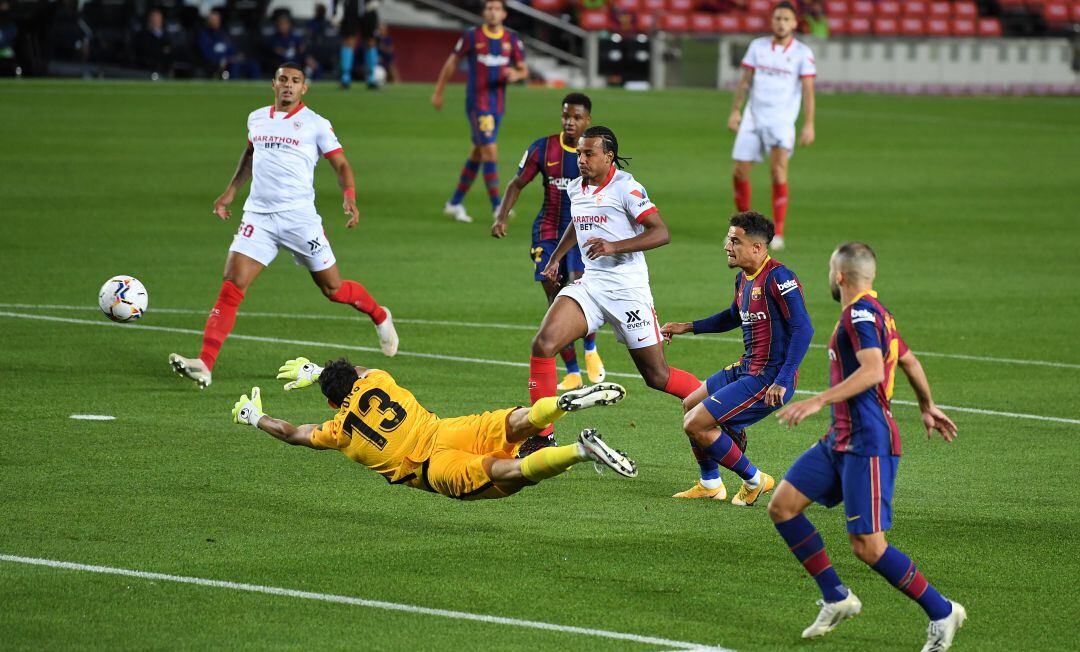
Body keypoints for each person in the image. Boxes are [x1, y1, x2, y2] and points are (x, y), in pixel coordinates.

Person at [770, 242, 966, 650]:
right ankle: (836, 597)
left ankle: (942, 611)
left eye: (829, 269)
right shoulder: (880, 314)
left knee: (869, 547)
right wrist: (927, 405)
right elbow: (907, 361)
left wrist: (818, 399)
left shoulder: (859, 314)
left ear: (839, 276)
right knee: (783, 506)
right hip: (839, 441)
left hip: (868, 444)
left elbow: (875, 369)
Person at [169, 62, 398, 389]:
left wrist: (349, 197)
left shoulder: (315, 124)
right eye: (283, 79)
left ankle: (379, 315)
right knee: (232, 285)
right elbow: (250, 154)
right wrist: (230, 192)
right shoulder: (257, 118)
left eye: (295, 81)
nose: (288, 85)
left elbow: (342, 164)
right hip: (258, 217)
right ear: (273, 84)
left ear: (304, 88)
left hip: (300, 219)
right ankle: (205, 363)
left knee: (332, 289)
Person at [522, 125, 702, 456]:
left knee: (657, 376)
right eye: (579, 154)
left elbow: (661, 233)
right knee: (544, 343)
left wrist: (613, 246)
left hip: (628, 290)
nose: (581, 160)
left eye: (589, 154)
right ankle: (542, 435)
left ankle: (714, 404)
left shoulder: (627, 188)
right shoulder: (576, 188)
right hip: (591, 285)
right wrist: (556, 258)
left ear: (608, 156)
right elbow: (578, 223)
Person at [230, 357, 636, 499]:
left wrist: (255, 416)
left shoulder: (338, 430)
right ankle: (561, 404)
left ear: (333, 403)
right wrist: (318, 371)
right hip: (445, 430)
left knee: (504, 473)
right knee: (513, 424)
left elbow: (292, 432)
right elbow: (354, 372)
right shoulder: (377, 379)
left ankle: (581, 452)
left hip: (427, 466)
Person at [661, 211, 812, 504]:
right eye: (728, 239)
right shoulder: (743, 278)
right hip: (746, 368)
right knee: (689, 403)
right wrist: (689, 327)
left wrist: (781, 380)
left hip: (768, 378)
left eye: (735, 241)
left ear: (757, 247)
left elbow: (803, 328)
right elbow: (733, 316)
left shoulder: (779, 278)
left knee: (695, 424)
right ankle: (711, 483)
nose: (727, 247)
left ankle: (755, 480)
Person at [493, 93, 605, 392]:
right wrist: (501, 216)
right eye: (566, 115)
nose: (570, 121)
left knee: (581, 290)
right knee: (555, 295)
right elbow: (517, 183)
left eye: (577, 117)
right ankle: (571, 371)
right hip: (546, 230)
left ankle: (591, 349)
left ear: (587, 120)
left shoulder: (597, 154)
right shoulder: (543, 149)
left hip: (582, 232)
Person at [728, 0, 816, 250]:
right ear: (772, 21)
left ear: (795, 23)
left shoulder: (802, 53)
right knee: (739, 172)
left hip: (781, 121)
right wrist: (735, 110)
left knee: (778, 172)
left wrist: (809, 124)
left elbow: (809, 91)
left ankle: (778, 231)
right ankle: (743, 229)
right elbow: (744, 81)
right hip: (753, 118)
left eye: (786, 19)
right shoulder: (758, 47)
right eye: (778, 18)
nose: (781, 23)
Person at [431, 0, 527, 224]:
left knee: (478, 152)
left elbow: (523, 69)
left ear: (503, 14)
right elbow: (451, 62)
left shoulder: (511, 39)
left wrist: (516, 75)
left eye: (497, 9)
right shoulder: (472, 37)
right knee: (490, 152)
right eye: (489, 8)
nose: (493, 13)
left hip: (498, 106)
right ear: (484, 13)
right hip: (478, 104)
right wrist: (438, 92)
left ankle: (454, 203)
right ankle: (498, 207)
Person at [196, 9, 260, 80]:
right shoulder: (204, 35)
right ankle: (233, 86)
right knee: (235, 66)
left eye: (217, 19)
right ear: (208, 21)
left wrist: (236, 56)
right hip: (218, 63)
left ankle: (254, 87)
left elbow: (231, 48)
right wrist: (224, 59)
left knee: (253, 65)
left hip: (231, 60)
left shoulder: (224, 34)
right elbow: (206, 53)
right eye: (213, 20)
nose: (215, 22)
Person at [332, 0, 380, 89]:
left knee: (370, 41)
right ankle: (345, 77)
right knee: (349, 40)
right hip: (351, 5)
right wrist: (336, 9)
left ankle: (372, 77)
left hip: (368, 4)